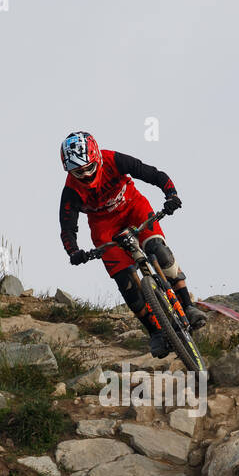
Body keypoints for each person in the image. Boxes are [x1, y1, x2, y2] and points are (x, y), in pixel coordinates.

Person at [58, 131, 206, 358]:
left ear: (97, 157)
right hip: (105, 227)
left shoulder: (114, 160)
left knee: (158, 250)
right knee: (125, 282)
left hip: (133, 207)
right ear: (70, 171)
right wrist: (74, 252)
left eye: (89, 168)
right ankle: (156, 333)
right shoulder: (71, 192)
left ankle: (188, 306)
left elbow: (152, 173)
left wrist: (171, 194)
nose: (86, 175)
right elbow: (68, 228)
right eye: (79, 172)